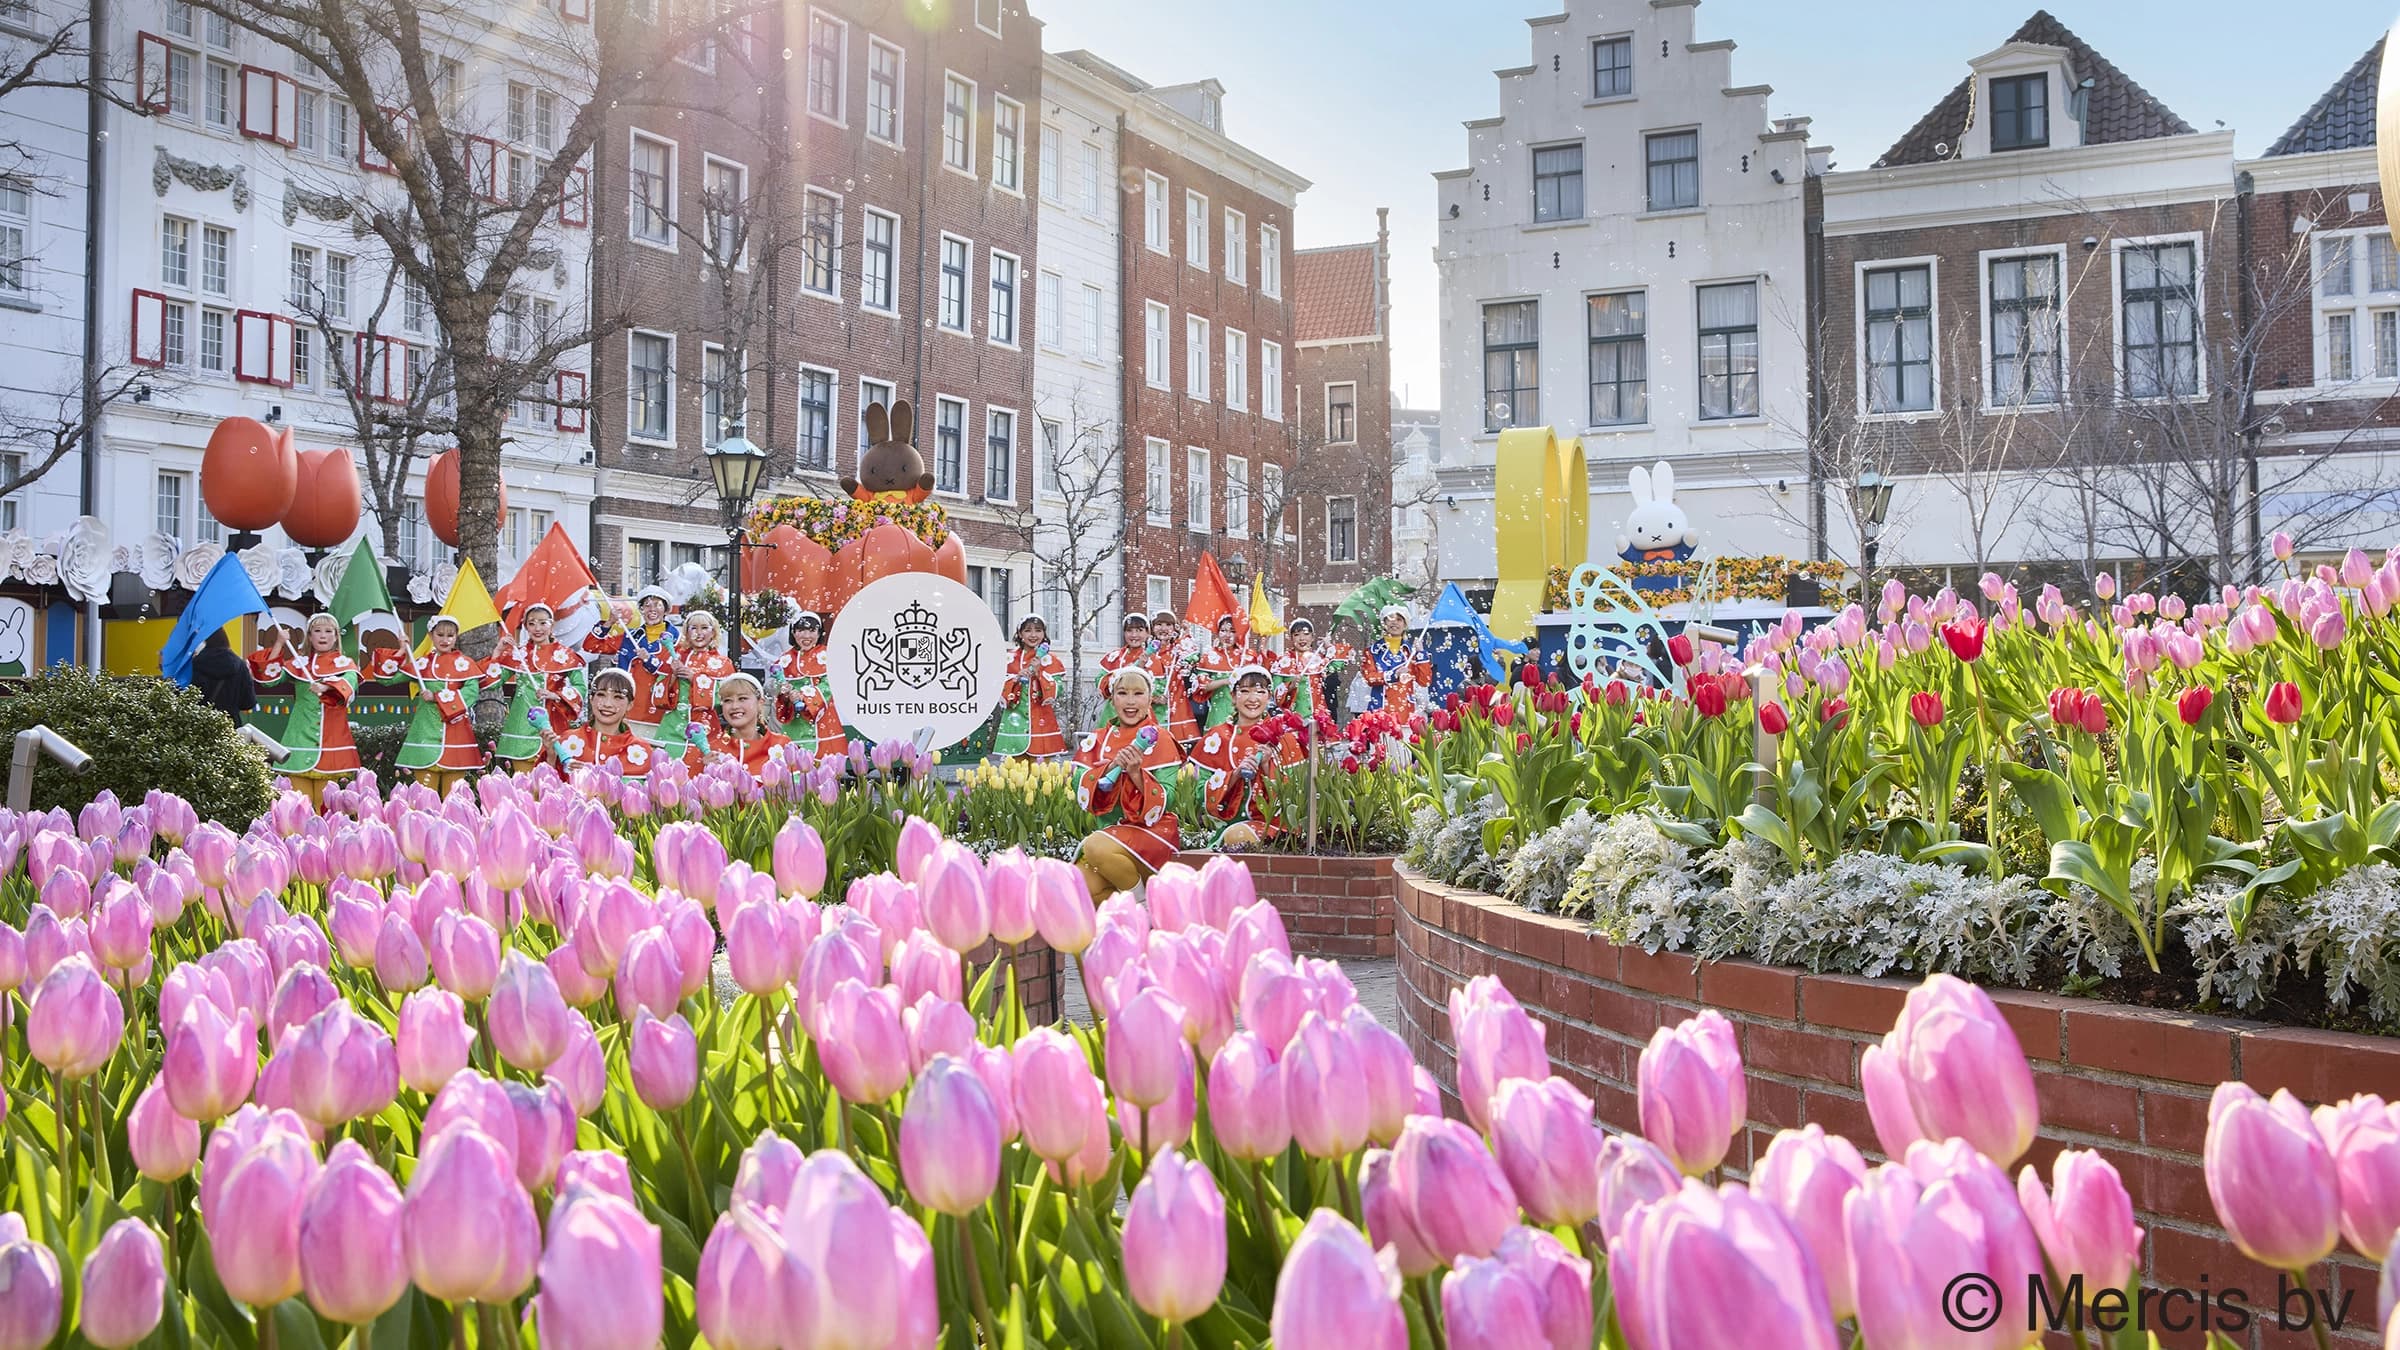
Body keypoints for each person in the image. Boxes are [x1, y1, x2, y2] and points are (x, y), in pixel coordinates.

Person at [1071, 666, 1184, 904]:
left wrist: (1135, 774)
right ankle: (1144, 908)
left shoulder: (1161, 738)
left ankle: (1142, 904)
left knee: (1095, 848)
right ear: (1112, 698)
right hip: (1109, 838)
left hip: (1151, 834)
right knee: (1079, 889)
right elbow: (1077, 784)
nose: (1130, 702)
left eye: (1138, 693)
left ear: (1150, 698)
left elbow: (1169, 797)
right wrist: (1111, 767)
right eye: (1122, 693)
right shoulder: (1099, 738)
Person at [1190, 666, 1307, 850]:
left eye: (1260, 692)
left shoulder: (1284, 737)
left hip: (1276, 830)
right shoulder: (1218, 737)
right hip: (1228, 829)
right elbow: (1199, 795)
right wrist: (1234, 775)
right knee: (1235, 835)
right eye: (1244, 691)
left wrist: (1268, 766)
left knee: (1238, 836)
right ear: (1233, 696)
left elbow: (1296, 796)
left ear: (1268, 697)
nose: (1252, 699)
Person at [379, 613, 489, 794]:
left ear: (456, 637)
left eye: (450, 635)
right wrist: (401, 651)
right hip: (425, 732)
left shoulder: (465, 663)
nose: (445, 640)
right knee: (424, 797)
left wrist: (436, 697)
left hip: (456, 734)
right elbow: (386, 679)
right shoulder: (421, 663)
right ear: (431, 636)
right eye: (440, 635)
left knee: (454, 797)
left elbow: (471, 693)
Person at [268, 612, 362, 806]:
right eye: (317, 631)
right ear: (309, 636)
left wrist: (327, 687)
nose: (323, 635)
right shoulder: (298, 663)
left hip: (332, 741)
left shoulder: (345, 664)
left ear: (336, 636)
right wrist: (279, 644)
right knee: (298, 804)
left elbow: (349, 685)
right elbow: (269, 679)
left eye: (328, 631)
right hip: (298, 738)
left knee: (326, 805)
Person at [492, 601, 589, 773]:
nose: (537, 628)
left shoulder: (565, 655)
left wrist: (556, 695)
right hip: (521, 725)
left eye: (543, 622)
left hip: (554, 723)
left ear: (552, 625)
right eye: (532, 623)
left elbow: (581, 687)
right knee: (523, 785)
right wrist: (497, 653)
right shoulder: (519, 654)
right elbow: (492, 682)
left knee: (554, 781)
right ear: (526, 627)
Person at [582, 585, 682, 736]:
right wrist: (609, 622)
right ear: (641, 610)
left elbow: (677, 672)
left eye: (657, 605)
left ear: (666, 610)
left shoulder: (679, 641)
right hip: (625, 711)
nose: (651, 609)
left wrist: (650, 660)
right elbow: (591, 646)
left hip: (658, 712)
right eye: (646, 605)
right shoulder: (630, 637)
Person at [548, 667, 656, 778]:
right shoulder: (566, 741)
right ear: (591, 699)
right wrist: (551, 757)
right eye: (601, 695)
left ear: (630, 705)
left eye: (618, 697)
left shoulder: (642, 752)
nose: (607, 704)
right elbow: (545, 788)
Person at [770, 612, 845, 758]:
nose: (806, 636)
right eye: (801, 630)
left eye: (811, 631)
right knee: (794, 763)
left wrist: (804, 698)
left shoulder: (827, 656)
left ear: (819, 633)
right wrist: (785, 695)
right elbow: (777, 688)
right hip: (795, 722)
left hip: (822, 717)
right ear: (793, 633)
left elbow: (829, 686)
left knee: (826, 765)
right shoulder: (784, 659)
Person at [685, 672, 790, 774]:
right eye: (727, 700)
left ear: (760, 703)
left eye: (742, 698)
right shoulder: (711, 750)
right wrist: (705, 771)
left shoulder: (782, 745)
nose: (734, 706)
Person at [994, 616, 1067, 758]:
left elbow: (1057, 690)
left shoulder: (1050, 659)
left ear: (1044, 634)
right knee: (1014, 774)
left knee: (1042, 775)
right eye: (1028, 631)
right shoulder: (1009, 658)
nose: (1033, 635)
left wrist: (1039, 673)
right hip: (1013, 725)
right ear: (1020, 634)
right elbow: (998, 689)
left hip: (1042, 724)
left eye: (1038, 630)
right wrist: (1016, 678)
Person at [667, 610, 739, 748]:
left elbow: (729, 696)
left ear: (713, 633)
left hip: (707, 726)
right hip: (672, 726)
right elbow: (656, 693)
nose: (699, 633)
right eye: (693, 628)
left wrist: (694, 678)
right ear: (686, 633)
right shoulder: (675, 658)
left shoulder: (723, 663)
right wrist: (673, 676)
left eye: (704, 628)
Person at [1362, 604, 1433, 716]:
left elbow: (1425, 681)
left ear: (1405, 625)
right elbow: (1370, 677)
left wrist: (1421, 653)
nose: (1394, 622)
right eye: (1390, 619)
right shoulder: (1372, 651)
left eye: (1399, 619)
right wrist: (1393, 675)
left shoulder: (1412, 652)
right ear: (1384, 623)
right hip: (1380, 710)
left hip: (1405, 710)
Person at [1272, 617, 1346, 723]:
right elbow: (1275, 694)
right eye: (1297, 635)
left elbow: (1340, 663)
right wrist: (1289, 686)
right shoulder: (1282, 663)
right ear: (1291, 638)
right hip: (1293, 720)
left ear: (1313, 637)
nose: (1302, 638)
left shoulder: (1319, 659)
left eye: (1306, 634)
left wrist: (1328, 646)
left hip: (1320, 718)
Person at [1148, 610, 1200, 747]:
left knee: (1179, 751)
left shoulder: (1178, 649)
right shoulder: (1146, 653)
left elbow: (1193, 657)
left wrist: (1187, 633)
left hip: (1178, 707)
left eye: (1168, 624)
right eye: (1159, 624)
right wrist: (1153, 698)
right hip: (1152, 709)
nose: (1164, 629)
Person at [1192, 615, 1244, 732]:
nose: (1227, 635)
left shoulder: (1245, 656)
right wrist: (1226, 681)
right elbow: (1202, 687)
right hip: (1218, 712)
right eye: (1223, 630)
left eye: (1232, 631)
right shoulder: (1209, 656)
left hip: (1243, 712)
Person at [193, 630, 257, 716]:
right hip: (230, 724)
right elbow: (248, 703)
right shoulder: (240, 665)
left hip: (201, 724)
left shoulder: (194, 665)